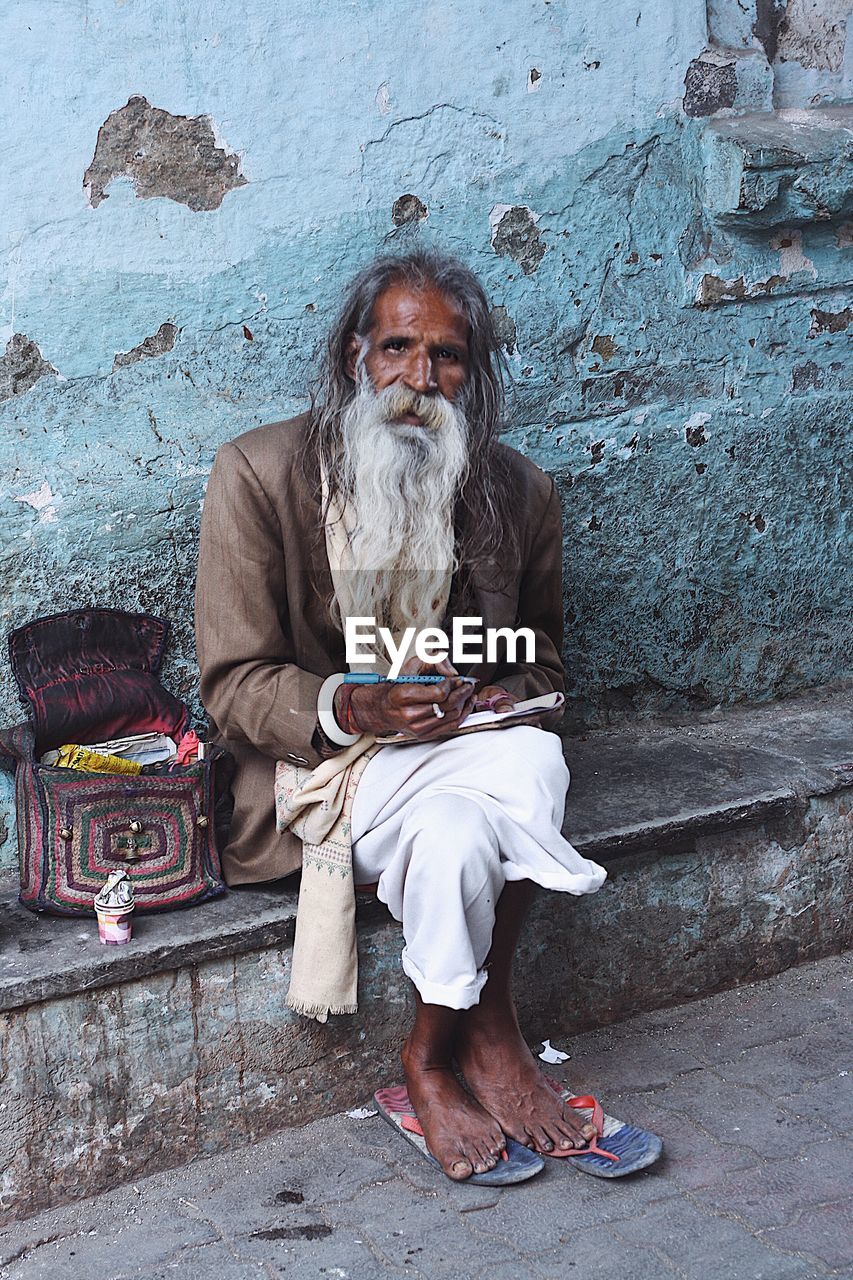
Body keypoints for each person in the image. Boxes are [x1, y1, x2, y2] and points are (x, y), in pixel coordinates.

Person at [195, 250, 607, 1181]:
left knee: (473, 819)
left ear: (472, 371)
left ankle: (429, 1057)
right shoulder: (259, 475)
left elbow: (538, 658)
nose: (420, 381)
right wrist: (358, 702)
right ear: (355, 357)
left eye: (447, 358)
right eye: (398, 349)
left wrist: (484, 684)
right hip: (322, 782)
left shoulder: (516, 490)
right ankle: (493, 1036)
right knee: (532, 775)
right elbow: (233, 684)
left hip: (451, 764)